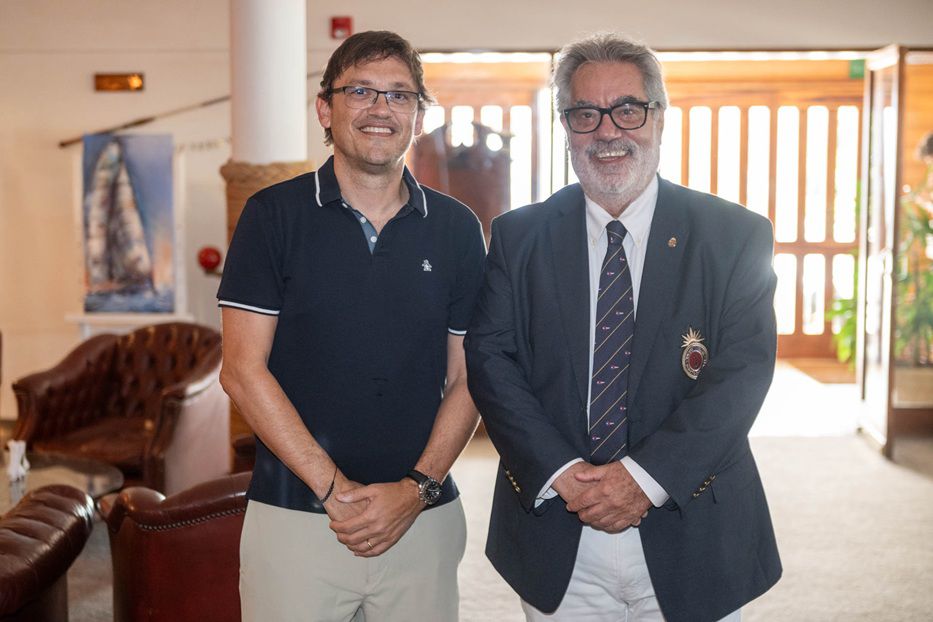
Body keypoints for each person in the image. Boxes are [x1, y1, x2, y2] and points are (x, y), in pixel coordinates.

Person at [464, 32, 782, 622]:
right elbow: (490, 359)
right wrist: (564, 475)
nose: (607, 131)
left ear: (659, 119)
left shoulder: (733, 236)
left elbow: (744, 370)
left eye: (628, 109)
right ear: (566, 128)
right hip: (559, 526)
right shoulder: (519, 236)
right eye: (585, 113)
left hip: (693, 522)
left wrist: (643, 479)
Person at [218, 30, 486, 622]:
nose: (380, 109)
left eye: (399, 95)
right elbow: (241, 371)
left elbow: (471, 377)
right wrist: (336, 491)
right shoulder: (271, 216)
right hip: (295, 515)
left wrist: (416, 490)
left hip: (424, 518)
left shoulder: (457, 228)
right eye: (361, 90)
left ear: (419, 115)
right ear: (326, 108)